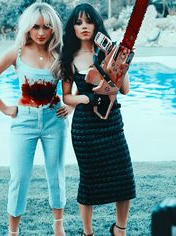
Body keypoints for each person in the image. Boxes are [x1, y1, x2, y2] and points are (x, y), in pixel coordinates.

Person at [0, 3, 71, 236]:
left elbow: (71, 87)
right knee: (19, 177)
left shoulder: (61, 53)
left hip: (54, 121)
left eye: (47, 27)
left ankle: (58, 227)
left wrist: (69, 105)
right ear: (28, 28)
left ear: (53, 29)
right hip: (24, 123)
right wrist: (4, 108)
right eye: (36, 27)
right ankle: (13, 232)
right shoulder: (16, 51)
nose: (41, 32)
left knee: (56, 174)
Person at [60, 3, 136, 236]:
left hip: (112, 123)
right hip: (85, 129)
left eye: (88, 21)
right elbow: (66, 97)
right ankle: (87, 232)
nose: (84, 27)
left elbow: (125, 90)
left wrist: (119, 62)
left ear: (96, 24)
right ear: (72, 27)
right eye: (78, 22)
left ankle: (119, 229)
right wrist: (85, 98)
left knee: (124, 178)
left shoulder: (107, 51)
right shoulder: (69, 57)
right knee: (89, 182)